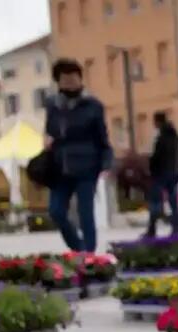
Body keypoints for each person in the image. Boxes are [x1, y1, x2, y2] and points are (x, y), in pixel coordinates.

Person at [45, 58, 113, 253]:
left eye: (73, 77)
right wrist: (49, 141)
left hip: (87, 165)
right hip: (60, 166)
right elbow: (50, 130)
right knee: (56, 211)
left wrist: (106, 163)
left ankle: (90, 256)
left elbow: (103, 137)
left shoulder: (93, 105)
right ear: (58, 81)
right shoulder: (52, 105)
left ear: (80, 78)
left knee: (86, 214)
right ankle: (78, 247)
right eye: (65, 79)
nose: (70, 82)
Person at [146, 110, 178, 237]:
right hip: (174, 172)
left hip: (161, 174)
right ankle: (176, 229)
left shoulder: (162, 138)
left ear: (158, 121)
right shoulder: (174, 136)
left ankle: (152, 230)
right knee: (173, 203)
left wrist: (150, 165)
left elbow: (158, 157)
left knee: (155, 202)